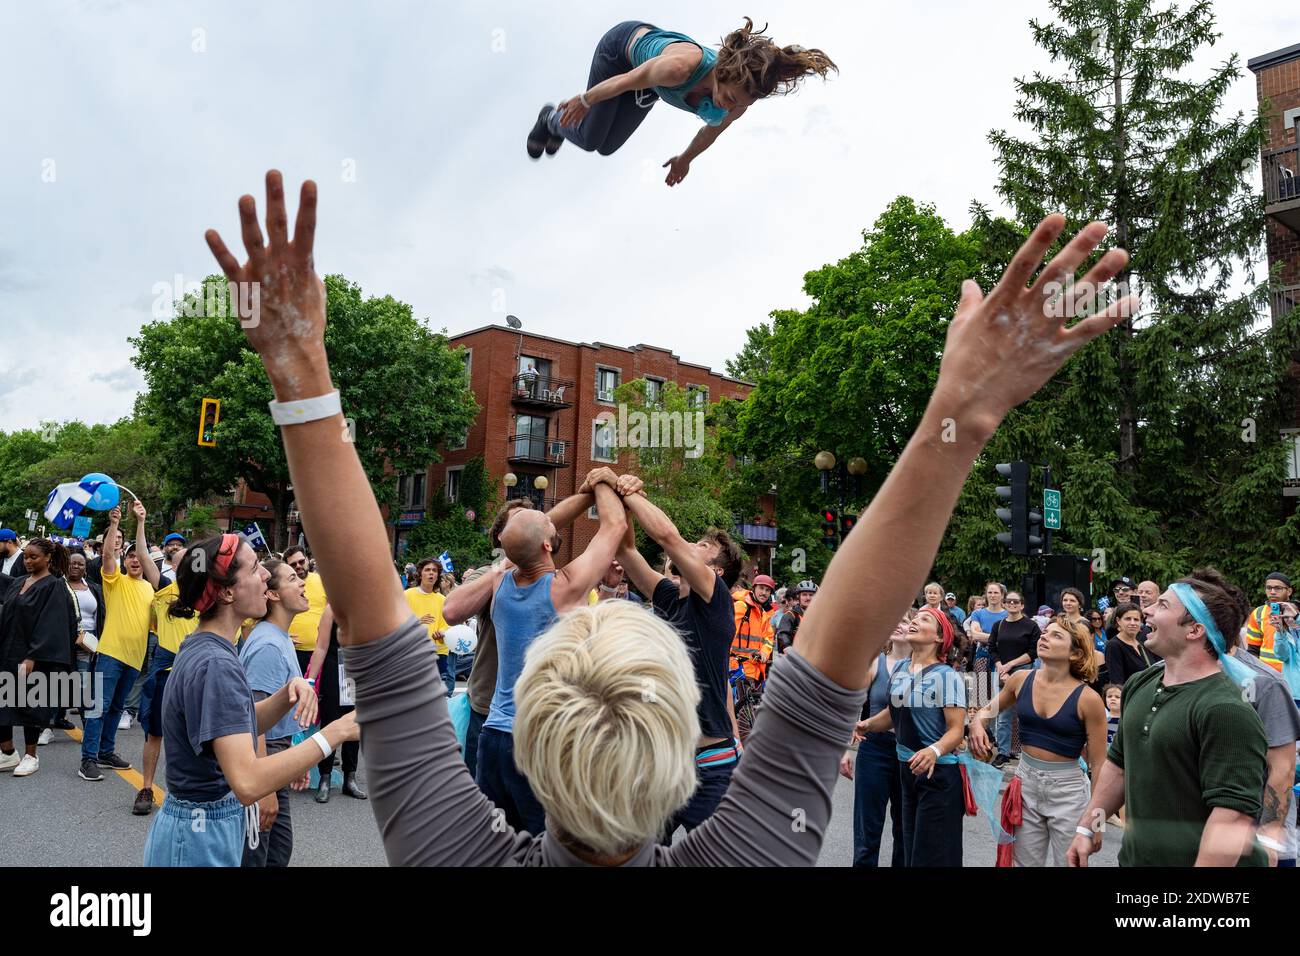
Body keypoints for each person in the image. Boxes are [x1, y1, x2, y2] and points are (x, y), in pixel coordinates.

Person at [203, 169, 1130, 866]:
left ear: (530, 748)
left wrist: (301, 376)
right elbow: (833, 662)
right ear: (681, 759)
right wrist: (958, 413)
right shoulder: (751, 851)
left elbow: (378, 626)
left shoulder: (452, 849)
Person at [141, 534, 355, 866]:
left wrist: (284, 696)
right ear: (226, 592)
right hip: (200, 836)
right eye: (256, 568)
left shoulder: (209, 646)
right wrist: (335, 732)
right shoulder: (217, 663)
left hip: (200, 827)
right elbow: (248, 781)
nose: (266, 575)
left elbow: (234, 720)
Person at [441, 466, 629, 833]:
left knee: (496, 841)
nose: (552, 524)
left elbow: (525, 536)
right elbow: (614, 528)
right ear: (547, 544)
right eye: (548, 529)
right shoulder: (563, 588)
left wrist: (583, 494)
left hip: (494, 737)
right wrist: (602, 480)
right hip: (535, 739)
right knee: (544, 841)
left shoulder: (500, 585)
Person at [1069, 570, 1269, 867]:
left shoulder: (1226, 709)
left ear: (1194, 630)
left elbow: (1233, 817)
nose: (1146, 610)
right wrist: (1089, 826)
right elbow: (1120, 765)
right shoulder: (1141, 682)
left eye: (1162, 605)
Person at [529, 18, 835, 186]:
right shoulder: (679, 68)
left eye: (736, 104)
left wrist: (686, 158)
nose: (727, 107)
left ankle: (562, 125)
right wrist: (584, 100)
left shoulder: (739, 103)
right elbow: (624, 82)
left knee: (607, 147)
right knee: (591, 138)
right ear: (723, 72)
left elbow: (709, 132)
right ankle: (550, 120)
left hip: (651, 86)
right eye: (727, 97)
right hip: (618, 57)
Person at [616, 491, 746, 841]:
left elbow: (667, 537)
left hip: (710, 761)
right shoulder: (670, 599)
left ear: (716, 571)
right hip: (666, 760)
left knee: (719, 856)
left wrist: (630, 492)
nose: (690, 544)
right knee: (641, 851)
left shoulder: (716, 599)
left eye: (702, 545)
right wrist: (612, 494)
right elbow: (625, 551)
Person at [970, 618, 1106, 866]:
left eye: (1056, 636)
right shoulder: (1020, 679)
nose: (1044, 637)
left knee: (1070, 863)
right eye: (1045, 632)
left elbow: (1098, 765)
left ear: (1075, 653)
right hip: (1025, 783)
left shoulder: (1089, 699)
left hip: (1069, 791)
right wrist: (977, 725)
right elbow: (985, 713)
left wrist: (1097, 823)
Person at [856, 608, 967, 866]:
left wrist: (934, 751)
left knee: (931, 857)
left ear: (940, 638)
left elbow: (956, 730)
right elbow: (894, 713)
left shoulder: (946, 676)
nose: (916, 621)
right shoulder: (903, 667)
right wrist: (867, 725)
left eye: (925, 619)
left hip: (937, 775)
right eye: (915, 618)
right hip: (907, 771)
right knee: (910, 852)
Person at [239, 558, 312, 865]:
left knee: (277, 852)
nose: (303, 583)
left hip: (276, 759)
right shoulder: (268, 644)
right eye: (293, 578)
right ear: (273, 594)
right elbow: (254, 720)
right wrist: (262, 790)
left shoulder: (279, 638)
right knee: (258, 857)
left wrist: (295, 757)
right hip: (263, 763)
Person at [79, 502, 159, 781]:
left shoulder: (150, 588)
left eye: (140, 557)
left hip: (134, 659)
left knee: (116, 708)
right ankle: (87, 759)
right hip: (110, 655)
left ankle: (105, 751)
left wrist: (140, 523)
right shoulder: (115, 580)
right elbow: (108, 556)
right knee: (98, 707)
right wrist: (114, 524)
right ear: (124, 561)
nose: (136, 560)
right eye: (131, 557)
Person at [839, 611, 911, 867]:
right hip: (875, 750)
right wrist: (845, 750)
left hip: (911, 753)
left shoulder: (924, 667)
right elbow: (852, 707)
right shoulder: (875, 662)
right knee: (867, 830)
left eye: (904, 621)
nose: (897, 625)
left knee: (905, 831)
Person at [0, 539, 78, 777]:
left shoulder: (53, 586)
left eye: (34, 557)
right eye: (25, 557)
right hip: (8, 653)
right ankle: (8, 752)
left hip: (33, 658)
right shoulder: (19, 583)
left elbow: (51, 624)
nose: (28, 561)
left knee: (29, 706)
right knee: (3, 704)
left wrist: (33, 656)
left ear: (48, 559)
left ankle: (31, 755)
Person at [134, 542, 199, 814]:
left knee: (195, 736)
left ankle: (189, 792)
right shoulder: (163, 589)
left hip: (196, 670)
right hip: (165, 669)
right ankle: (146, 788)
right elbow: (142, 556)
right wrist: (140, 522)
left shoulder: (209, 596)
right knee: (155, 733)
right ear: (173, 566)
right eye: (181, 561)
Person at [302, 606, 366, 803]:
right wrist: (310, 681)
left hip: (357, 671)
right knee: (330, 722)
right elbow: (321, 647)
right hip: (333, 669)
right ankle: (325, 777)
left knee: (354, 723)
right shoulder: (332, 609)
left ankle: (350, 778)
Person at [986, 590, 1039, 768]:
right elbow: (992, 648)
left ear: (1022, 605)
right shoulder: (998, 625)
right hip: (1001, 671)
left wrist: (1011, 665)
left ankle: (1028, 751)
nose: (1012, 604)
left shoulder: (1031, 625)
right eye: (1009, 601)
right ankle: (1003, 752)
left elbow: (1033, 652)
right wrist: (1001, 665)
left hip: (1023, 671)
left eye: (1016, 602)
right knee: (1003, 713)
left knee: (1026, 712)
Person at [405, 557, 454, 696]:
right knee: (412, 694)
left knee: (433, 697)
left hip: (438, 653)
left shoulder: (443, 600)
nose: (431, 573)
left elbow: (448, 625)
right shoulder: (407, 595)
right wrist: (417, 622)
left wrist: (442, 632)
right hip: (413, 652)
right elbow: (397, 623)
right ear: (420, 574)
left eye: (434, 570)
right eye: (427, 570)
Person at [65, 551, 103, 726]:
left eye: (80, 564)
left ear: (85, 569)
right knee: (60, 680)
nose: (76, 566)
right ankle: (49, 724)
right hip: (63, 640)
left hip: (87, 641)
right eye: (72, 562)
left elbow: (101, 614)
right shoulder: (58, 586)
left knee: (83, 681)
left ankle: (86, 721)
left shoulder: (94, 588)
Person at [283, 545, 326, 675]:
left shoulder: (322, 581)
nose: (298, 566)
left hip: (320, 651)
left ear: (307, 560)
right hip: (291, 651)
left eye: (301, 561)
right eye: (293, 564)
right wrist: (281, 636)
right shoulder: (282, 585)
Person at [1244, 571, 1293, 674]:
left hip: (1294, 674)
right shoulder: (1258, 613)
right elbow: (1253, 650)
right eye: (1268, 588)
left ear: (1289, 591)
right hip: (1267, 675)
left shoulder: (1297, 613)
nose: (1272, 592)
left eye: (1278, 588)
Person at [1103, 602, 1160, 688]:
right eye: (1128, 619)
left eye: (1136, 620)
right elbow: (1117, 681)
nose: (1133, 623)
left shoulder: (1143, 644)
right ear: (1118, 621)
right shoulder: (1114, 645)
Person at [732, 572, 776, 682]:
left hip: (755, 671)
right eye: (761, 588)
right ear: (754, 588)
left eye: (767, 590)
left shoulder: (764, 614)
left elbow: (768, 638)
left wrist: (765, 652)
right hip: (736, 669)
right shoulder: (741, 606)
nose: (764, 593)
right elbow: (726, 633)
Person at [775, 580, 816, 656]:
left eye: (811, 595)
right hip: (796, 659)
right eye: (804, 595)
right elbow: (783, 634)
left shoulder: (818, 615)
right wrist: (787, 647)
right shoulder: (790, 615)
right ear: (798, 597)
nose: (808, 598)